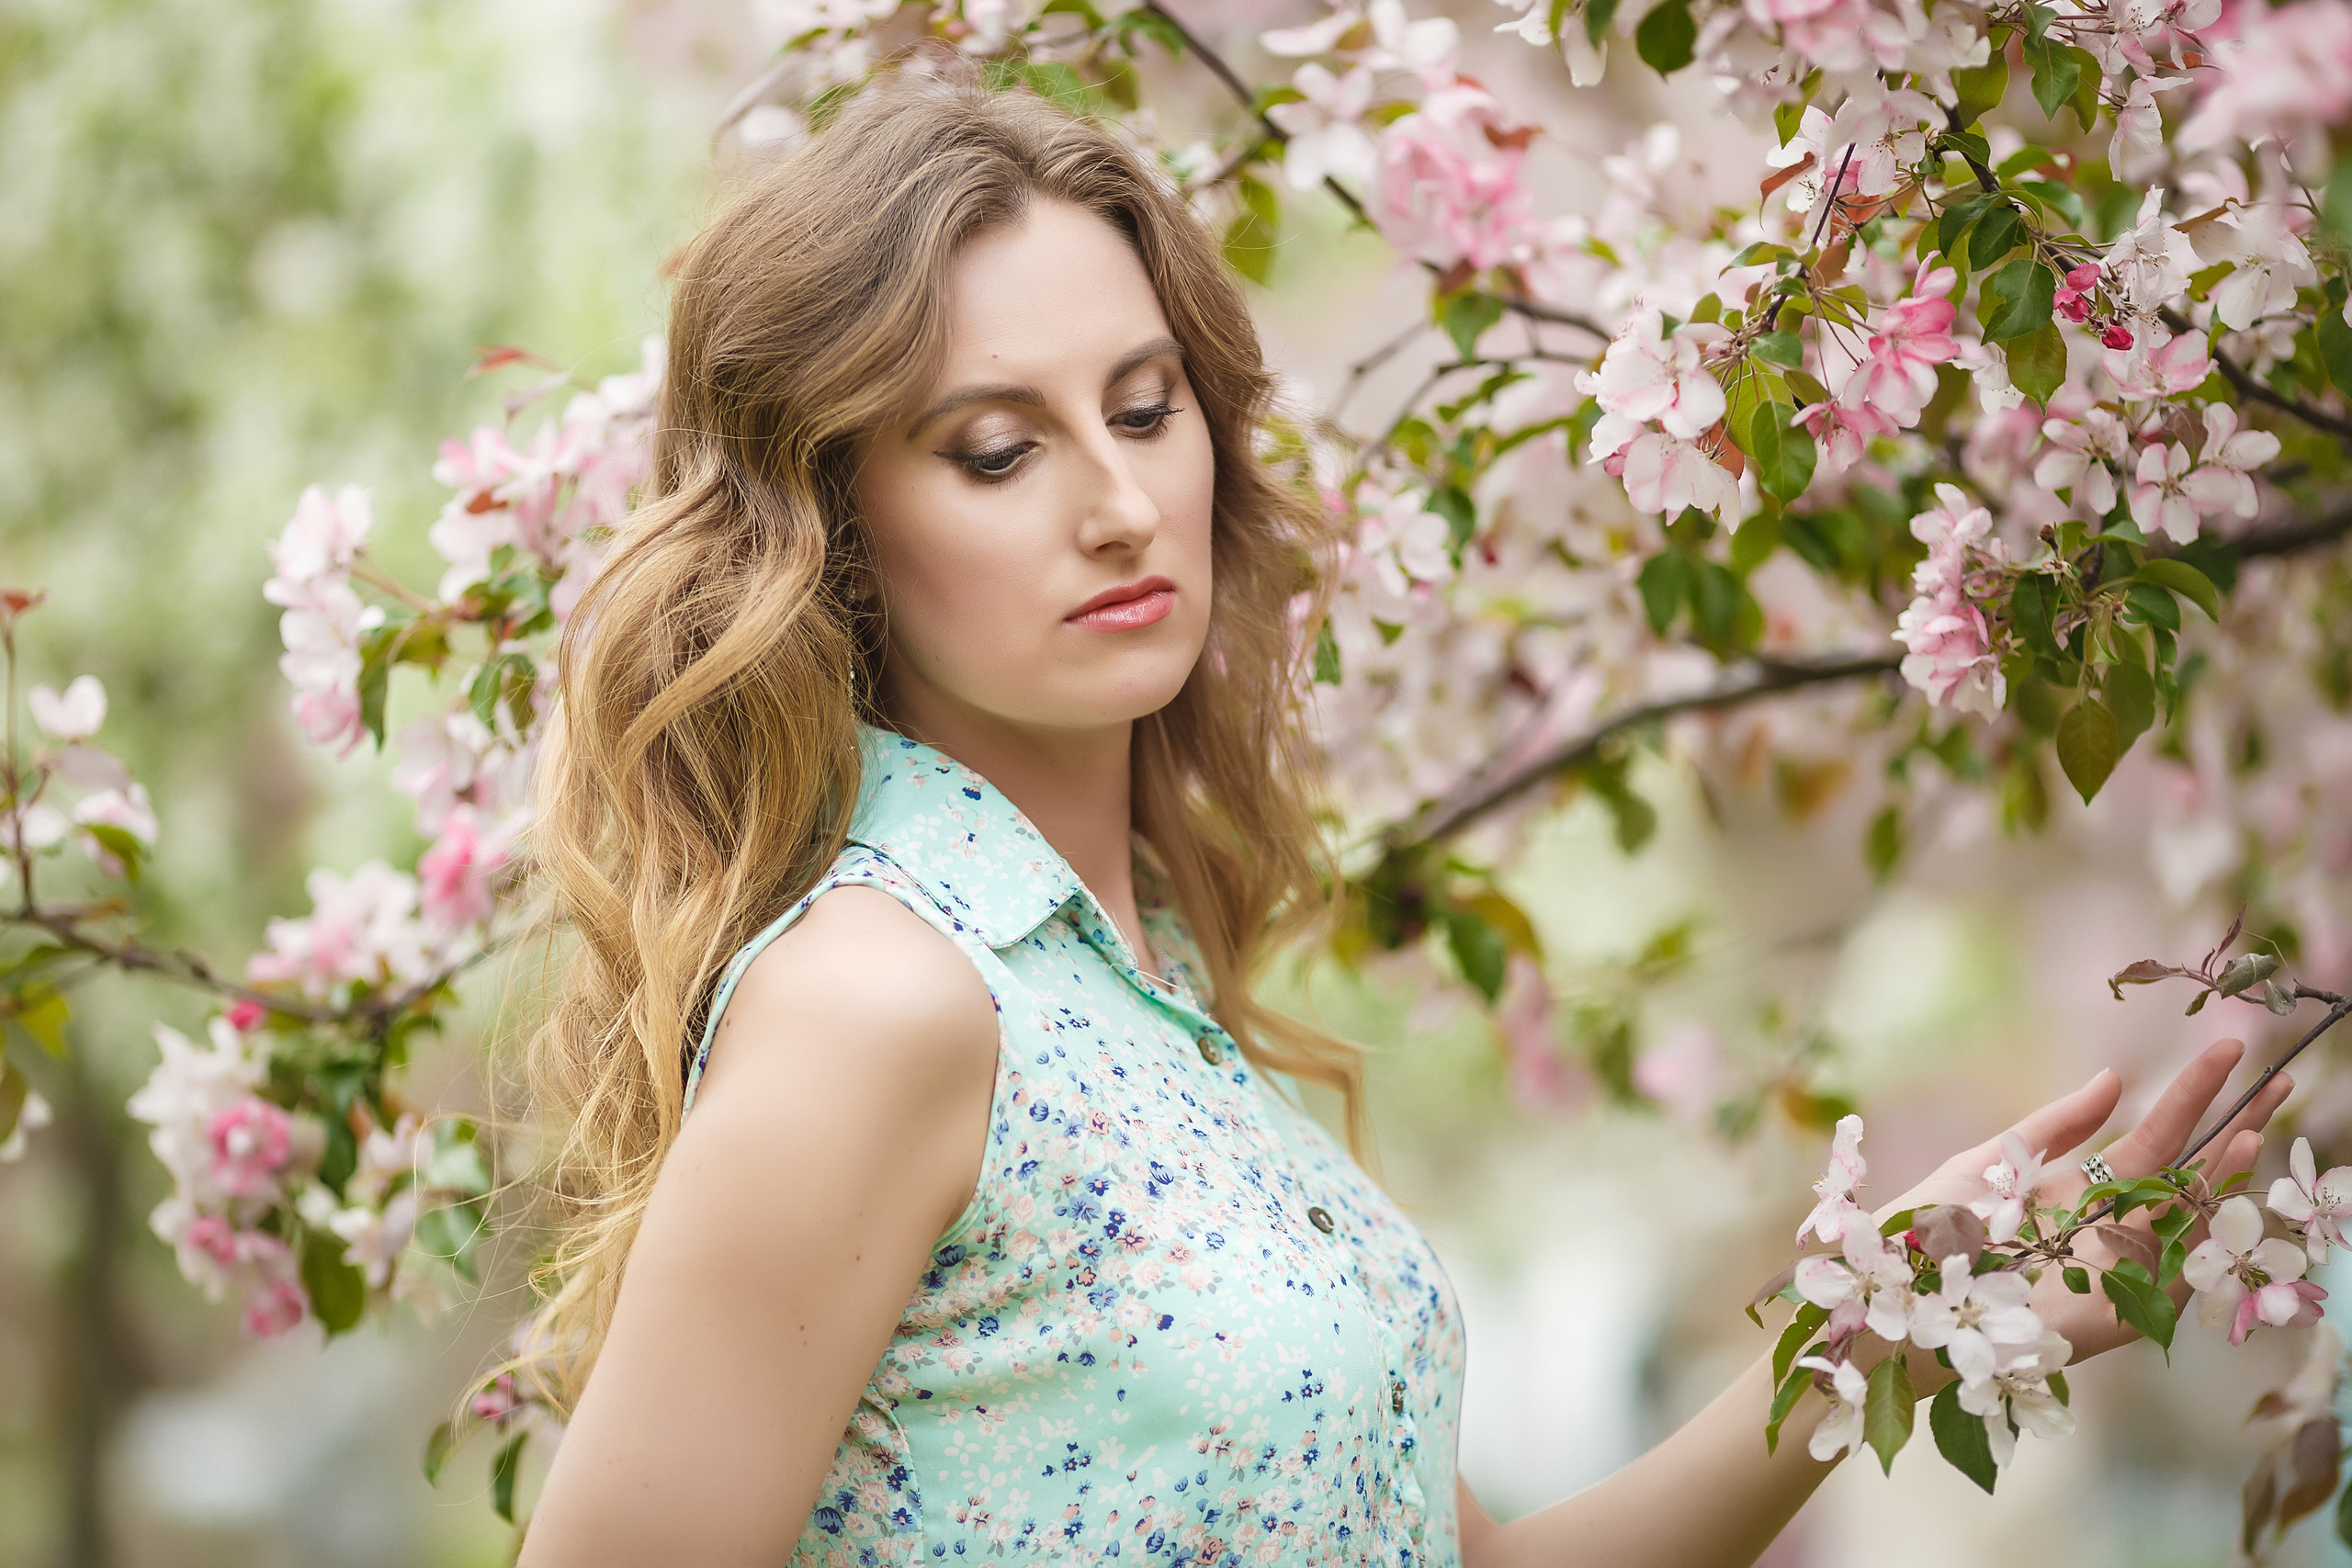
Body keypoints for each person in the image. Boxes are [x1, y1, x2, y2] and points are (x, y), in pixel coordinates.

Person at [514, 77, 2289, 1568]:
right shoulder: (881, 1004)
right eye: (997, 449)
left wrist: (1871, 1337)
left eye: (1145, 410)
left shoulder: (1142, 993)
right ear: (834, 528)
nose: (1123, 502)